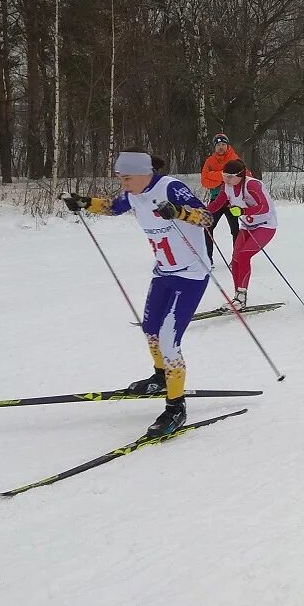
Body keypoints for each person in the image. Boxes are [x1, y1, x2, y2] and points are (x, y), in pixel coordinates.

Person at [61, 149, 212, 438]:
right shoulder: (132, 194)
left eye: (127, 177)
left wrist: (180, 212)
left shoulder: (170, 187)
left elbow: (206, 219)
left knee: (169, 342)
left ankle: (175, 408)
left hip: (191, 274)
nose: (123, 182)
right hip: (164, 272)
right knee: (151, 330)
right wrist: (84, 203)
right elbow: (112, 207)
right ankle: (160, 378)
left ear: (144, 174)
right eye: (120, 177)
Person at [205, 159, 276, 311]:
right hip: (247, 225)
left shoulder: (252, 185)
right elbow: (217, 204)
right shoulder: (226, 186)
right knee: (236, 258)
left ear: (240, 175)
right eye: (224, 176)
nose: (226, 180)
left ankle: (241, 296)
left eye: (230, 177)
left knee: (244, 256)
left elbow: (265, 207)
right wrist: (201, 214)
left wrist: (243, 211)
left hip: (266, 225)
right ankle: (238, 297)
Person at [201, 134, 240, 247]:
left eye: (223, 144)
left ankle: (236, 259)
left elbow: (237, 178)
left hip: (231, 200)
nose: (221, 147)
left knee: (235, 229)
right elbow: (204, 181)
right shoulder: (210, 161)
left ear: (228, 145)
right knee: (208, 228)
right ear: (214, 147)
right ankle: (208, 259)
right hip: (215, 199)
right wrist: (221, 178)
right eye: (218, 145)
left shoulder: (234, 159)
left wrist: (212, 175)